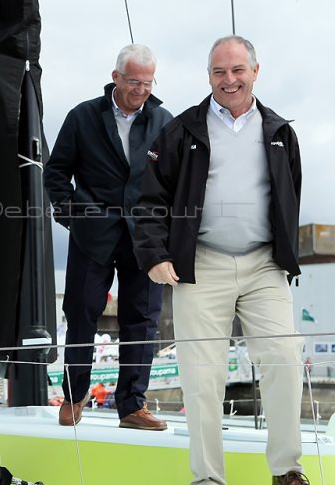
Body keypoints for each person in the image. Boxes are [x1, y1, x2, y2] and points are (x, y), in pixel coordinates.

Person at [134, 36, 307, 485]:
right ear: (208, 75)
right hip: (201, 265)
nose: (228, 80)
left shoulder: (280, 132)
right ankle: (208, 477)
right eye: (218, 72)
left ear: (254, 71)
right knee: (202, 374)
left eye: (236, 71)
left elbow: (290, 194)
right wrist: (154, 254)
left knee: (284, 357)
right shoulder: (181, 131)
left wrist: (285, 251)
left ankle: (287, 469)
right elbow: (149, 199)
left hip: (265, 264)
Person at [44, 44, 172, 430]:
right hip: (92, 235)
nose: (141, 89)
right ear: (116, 77)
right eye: (134, 81)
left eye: (148, 83)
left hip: (145, 238)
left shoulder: (164, 120)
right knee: (80, 313)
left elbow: (174, 180)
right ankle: (74, 395)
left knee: (143, 320)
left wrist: (164, 229)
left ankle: (132, 406)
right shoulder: (83, 116)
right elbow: (56, 173)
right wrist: (76, 218)